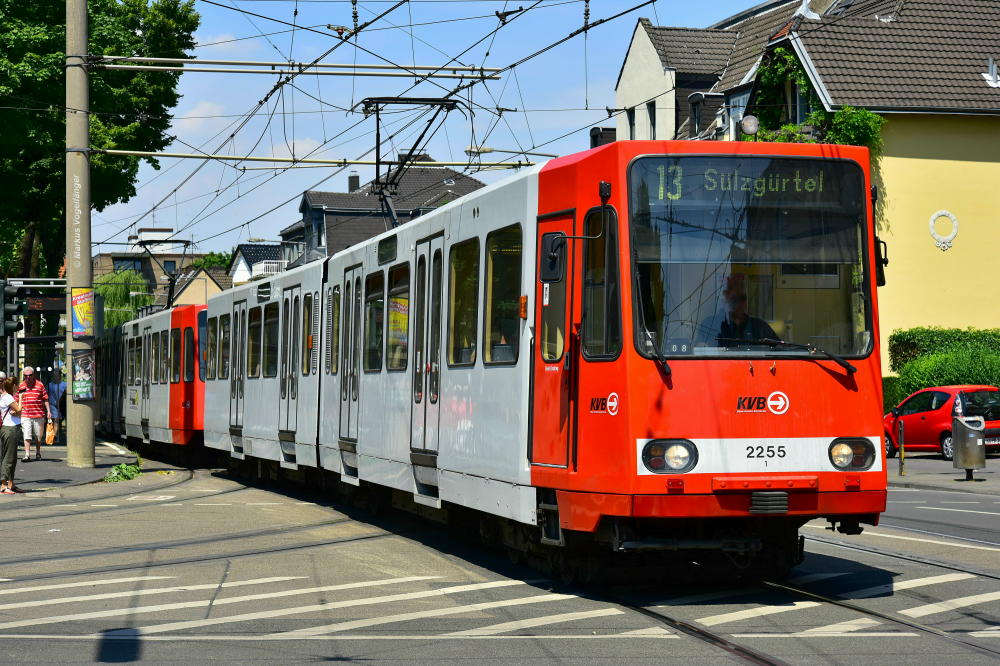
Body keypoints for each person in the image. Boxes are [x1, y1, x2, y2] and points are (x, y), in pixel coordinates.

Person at [697, 274, 779, 347]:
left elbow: (779, 349)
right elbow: (700, 352)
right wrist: (701, 346)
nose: (738, 303)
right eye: (734, 299)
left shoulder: (760, 327)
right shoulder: (709, 325)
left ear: (746, 301)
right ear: (725, 298)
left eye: (742, 298)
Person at [18, 367, 50, 462]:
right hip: (25, 415)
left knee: (38, 437)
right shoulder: (21, 386)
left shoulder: (40, 384)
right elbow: (17, 399)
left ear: (33, 375)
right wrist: (15, 410)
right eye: (26, 375)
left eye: (30, 375)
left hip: (38, 415)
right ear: (23, 375)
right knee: (26, 435)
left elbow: (45, 398)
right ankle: (27, 455)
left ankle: (38, 452)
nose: (28, 377)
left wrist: (48, 411)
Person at [1, 377, 23, 494]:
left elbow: (18, 412)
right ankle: (4, 485)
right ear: (13, 385)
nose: (19, 386)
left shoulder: (8, 397)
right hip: (9, 429)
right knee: (8, 458)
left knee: (13, 458)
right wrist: (21, 398)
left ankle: (11, 483)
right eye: (17, 384)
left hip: (12, 428)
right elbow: (19, 409)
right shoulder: (8, 397)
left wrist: (18, 411)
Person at [48, 370, 67, 447]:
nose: (55, 377)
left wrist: (61, 401)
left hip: (62, 405)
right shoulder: (50, 385)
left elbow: (66, 394)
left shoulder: (65, 385)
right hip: (53, 405)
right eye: (54, 375)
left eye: (57, 375)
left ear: (60, 376)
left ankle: (57, 435)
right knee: (55, 420)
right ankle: (55, 435)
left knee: (58, 420)